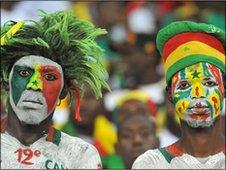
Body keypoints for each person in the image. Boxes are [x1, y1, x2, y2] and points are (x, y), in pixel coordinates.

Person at [0, 10, 110, 169]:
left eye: (49, 77)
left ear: (64, 91)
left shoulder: (81, 155)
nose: (35, 85)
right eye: (24, 73)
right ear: (5, 82)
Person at [132, 21, 225, 169]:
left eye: (208, 83)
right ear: (170, 94)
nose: (197, 95)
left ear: (224, 89)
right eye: (184, 85)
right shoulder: (152, 164)